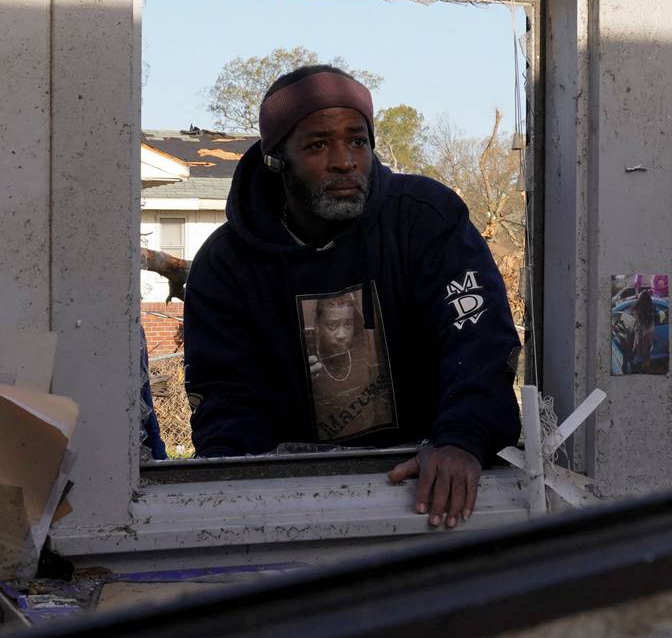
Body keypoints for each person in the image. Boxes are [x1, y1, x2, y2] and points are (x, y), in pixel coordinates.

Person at [182, 64, 520, 528]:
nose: (345, 160)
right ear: (277, 159)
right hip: (296, 508)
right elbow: (226, 402)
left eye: (357, 140)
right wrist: (236, 501)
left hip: (428, 492)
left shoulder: (424, 220)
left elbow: (479, 344)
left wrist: (463, 440)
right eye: (318, 144)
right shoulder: (226, 266)